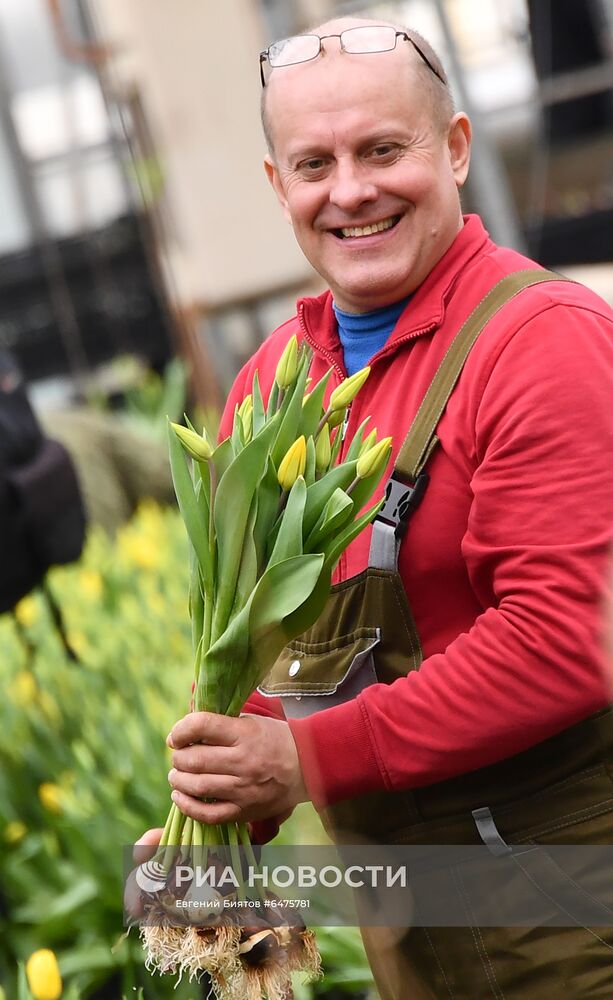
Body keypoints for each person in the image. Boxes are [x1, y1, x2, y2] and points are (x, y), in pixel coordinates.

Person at [145, 16, 613, 998]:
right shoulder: (274, 385)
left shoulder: (540, 343)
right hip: (417, 932)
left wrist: (303, 757)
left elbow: (561, 641)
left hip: (570, 922)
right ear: (279, 188)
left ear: (454, 149)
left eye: (382, 149)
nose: (349, 190)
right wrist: (229, 811)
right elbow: (279, 645)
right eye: (313, 162)